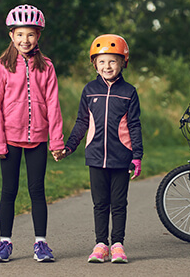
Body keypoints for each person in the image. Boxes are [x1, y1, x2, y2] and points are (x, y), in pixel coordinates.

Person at [56, 34, 143, 263]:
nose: (107, 66)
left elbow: (134, 125)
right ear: (94, 63)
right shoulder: (89, 90)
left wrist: (137, 157)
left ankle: (117, 245)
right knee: (100, 203)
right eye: (102, 61)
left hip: (121, 157)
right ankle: (101, 245)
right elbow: (81, 122)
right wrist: (70, 146)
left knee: (119, 203)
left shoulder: (129, 92)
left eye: (113, 61)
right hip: (95, 157)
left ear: (123, 62)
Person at [0, 4, 64, 262]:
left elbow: (53, 105)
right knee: (8, 191)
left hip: (38, 140)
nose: (25, 39)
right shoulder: (2, 67)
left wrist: (56, 141)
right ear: (11, 35)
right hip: (9, 140)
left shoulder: (47, 67)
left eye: (30, 34)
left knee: (37, 190)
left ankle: (40, 243)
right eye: (20, 34)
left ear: (38, 36)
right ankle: (4, 243)